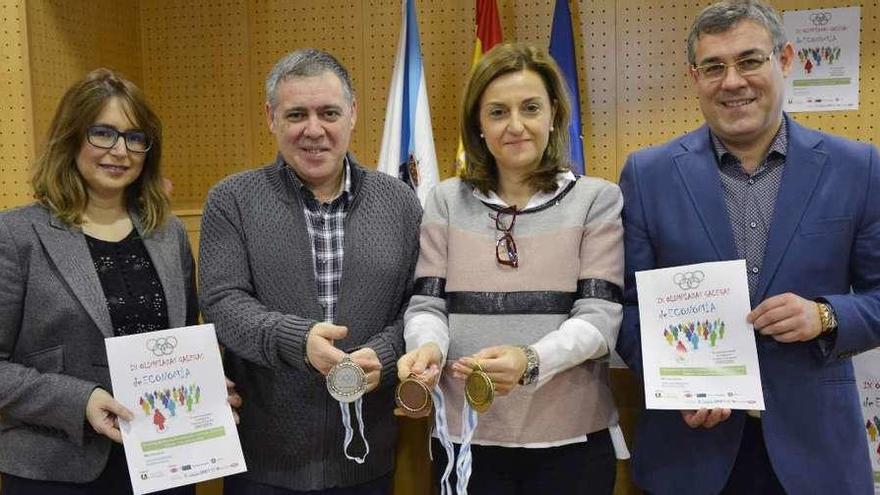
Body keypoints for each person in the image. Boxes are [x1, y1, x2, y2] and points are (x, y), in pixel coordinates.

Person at [615, 1, 880, 493]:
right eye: (714, 67)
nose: (732, 81)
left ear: (784, 60)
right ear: (694, 77)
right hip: (690, 449)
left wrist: (826, 315)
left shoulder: (859, 168)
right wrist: (678, 384)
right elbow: (626, 308)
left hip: (817, 453)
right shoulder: (646, 175)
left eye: (750, 60)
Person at [397, 42, 624, 494]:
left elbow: (600, 319)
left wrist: (531, 361)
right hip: (465, 438)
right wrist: (426, 350)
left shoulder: (596, 199)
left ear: (555, 114)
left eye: (531, 108)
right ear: (478, 125)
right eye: (498, 112)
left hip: (571, 440)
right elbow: (427, 304)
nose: (516, 126)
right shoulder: (444, 199)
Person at [198, 48, 421, 494]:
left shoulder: (401, 202)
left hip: (366, 460)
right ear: (271, 118)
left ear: (353, 114)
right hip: (263, 464)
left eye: (329, 113)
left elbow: (420, 305)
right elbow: (222, 303)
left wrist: (387, 354)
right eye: (297, 114)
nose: (313, 130)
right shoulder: (232, 201)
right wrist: (298, 342)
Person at [0, 69, 203, 494]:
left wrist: (202, 383)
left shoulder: (167, 234)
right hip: (57, 469)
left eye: (134, 137)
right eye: (103, 133)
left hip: (163, 460)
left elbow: (182, 342)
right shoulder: (17, 236)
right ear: (71, 137)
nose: (120, 151)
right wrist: (80, 400)